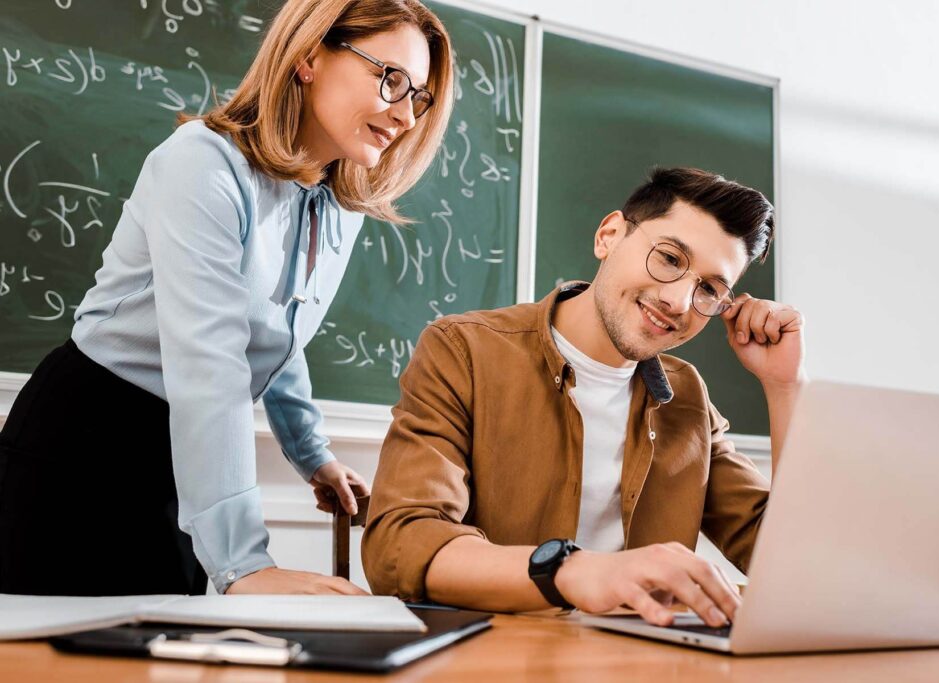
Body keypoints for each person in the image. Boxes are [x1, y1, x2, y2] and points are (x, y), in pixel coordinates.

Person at [0, 0, 453, 597]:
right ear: (311, 56)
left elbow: (278, 334)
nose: (405, 115)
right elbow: (209, 360)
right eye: (390, 78)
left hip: (189, 457)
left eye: (418, 96)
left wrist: (310, 453)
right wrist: (245, 565)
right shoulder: (203, 163)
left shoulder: (339, 205)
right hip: (89, 441)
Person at [362, 167, 806, 627]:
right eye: (671, 258)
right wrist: (573, 570)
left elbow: (792, 565)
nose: (678, 300)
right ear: (609, 236)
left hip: (635, 663)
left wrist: (784, 386)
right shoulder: (464, 350)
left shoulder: (687, 395)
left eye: (709, 289)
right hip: (493, 658)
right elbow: (399, 547)